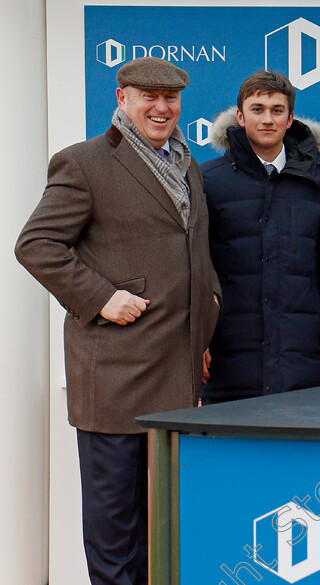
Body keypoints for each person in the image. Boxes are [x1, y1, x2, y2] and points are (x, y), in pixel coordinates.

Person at [15, 57, 220, 585]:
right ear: (122, 97)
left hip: (176, 377)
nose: (161, 107)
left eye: (170, 98)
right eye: (148, 96)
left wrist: (207, 316)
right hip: (114, 377)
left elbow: (194, 251)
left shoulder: (186, 162)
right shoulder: (83, 162)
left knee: (163, 528)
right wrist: (102, 297)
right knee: (115, 531)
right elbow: (36, 245)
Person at [200, 71, 320, 403]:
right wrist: (193, 338)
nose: (267, 119)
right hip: (227, 363)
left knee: (299, 455)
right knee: (230, 454)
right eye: (257, 109)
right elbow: (192, 266)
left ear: (290, 118)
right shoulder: (207, 181)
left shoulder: (317, 183)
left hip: (300, 363)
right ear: (240, 117)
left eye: (277, 110)